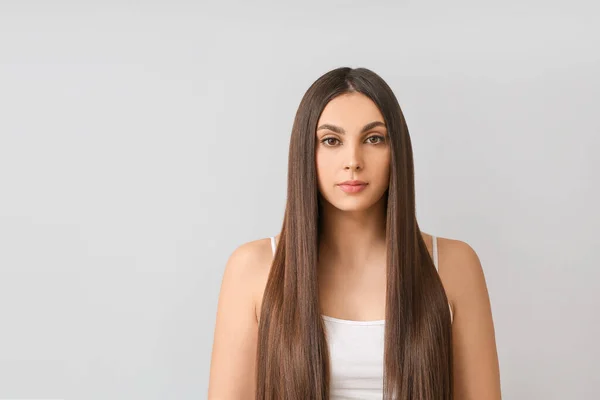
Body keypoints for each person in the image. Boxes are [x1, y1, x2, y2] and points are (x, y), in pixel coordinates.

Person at [208, 67, 501, 399]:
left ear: (396, 152)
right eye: (331, 141)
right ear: (307, 153)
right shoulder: (253, 268)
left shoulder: (453, 265)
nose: (353, 160)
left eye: (373, 138)